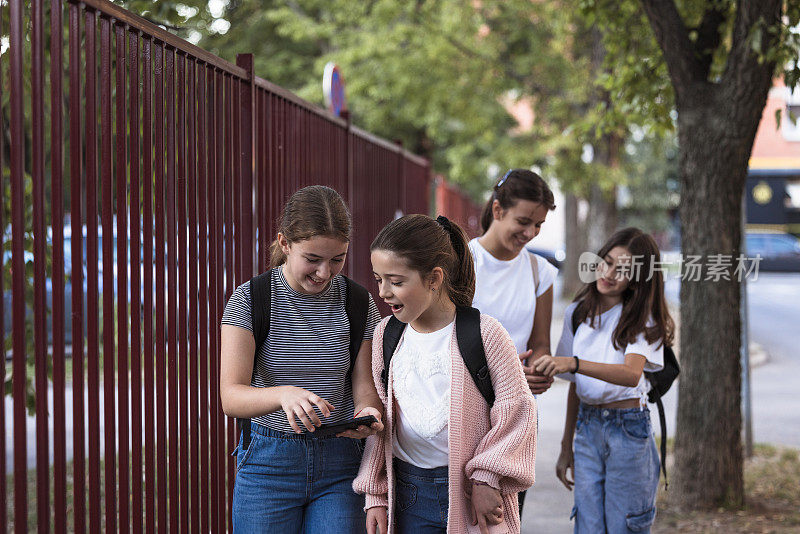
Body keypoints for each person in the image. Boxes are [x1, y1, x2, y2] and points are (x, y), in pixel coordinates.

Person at [355, 214, 537, 534]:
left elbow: (518, 411)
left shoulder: (485, 333)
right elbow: (384, 422)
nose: (383, 292)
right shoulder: (386, 335)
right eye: (378, 279)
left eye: (396, 281)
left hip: (472, 495)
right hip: (407, 494)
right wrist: (376, 494)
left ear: (434, 278)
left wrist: (486, 478)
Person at [220, 185, 384, 533]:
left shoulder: (358, 302)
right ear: (284, 244)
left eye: (337, 259)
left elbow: (363, 385)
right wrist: (282, 394)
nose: (324, 272)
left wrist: (368, 413)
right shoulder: (251, 299)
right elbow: (231, 397)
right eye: (312, 259)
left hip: (340, 464)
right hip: (269, 464)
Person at [533, 227, 675, 534]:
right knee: (588, 526)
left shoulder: (642, 316)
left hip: (627, 430)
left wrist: (574, 362)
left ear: (637, 279)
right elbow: (575, 385)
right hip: (587, 428)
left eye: (621, 269)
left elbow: (631, 373)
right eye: (606, 261)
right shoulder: (578, 313)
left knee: (624, 526)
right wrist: (566, 445)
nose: (608, 273)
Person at [468, 168, 558, 516]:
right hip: (466, 407)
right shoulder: (463, 262)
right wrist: (503, 370)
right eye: (523, 221)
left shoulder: (540, 272)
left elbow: (541, 345)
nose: (530, 232)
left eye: (538, 225)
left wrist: (540, 370)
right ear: (497, 210)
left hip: (516, 416)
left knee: (503, 518)